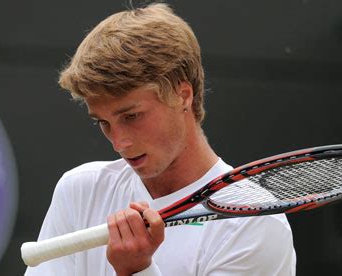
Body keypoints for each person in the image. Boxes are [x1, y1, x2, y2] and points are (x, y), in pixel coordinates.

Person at [25, 2, 296, 276]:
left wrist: (137, 271)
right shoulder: (80, 191)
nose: (119, 143)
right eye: (103, 123)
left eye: (131, 116)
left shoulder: (254, 223)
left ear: (183, 95)